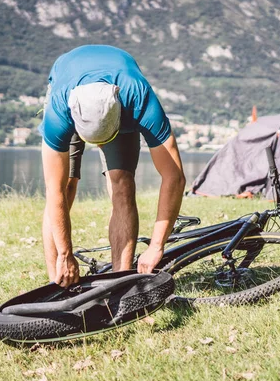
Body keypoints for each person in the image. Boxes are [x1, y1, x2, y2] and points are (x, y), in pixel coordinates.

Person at [39, 45, 186, 288]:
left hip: (120, 106)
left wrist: (156, 247)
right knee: (65, 187)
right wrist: (66, 254)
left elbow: (174, 177)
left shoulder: (139, 98)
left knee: (123, 185)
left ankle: (121, 283)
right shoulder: (59, 108)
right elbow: (52, 189)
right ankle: (58, 282)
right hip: (70, 97)